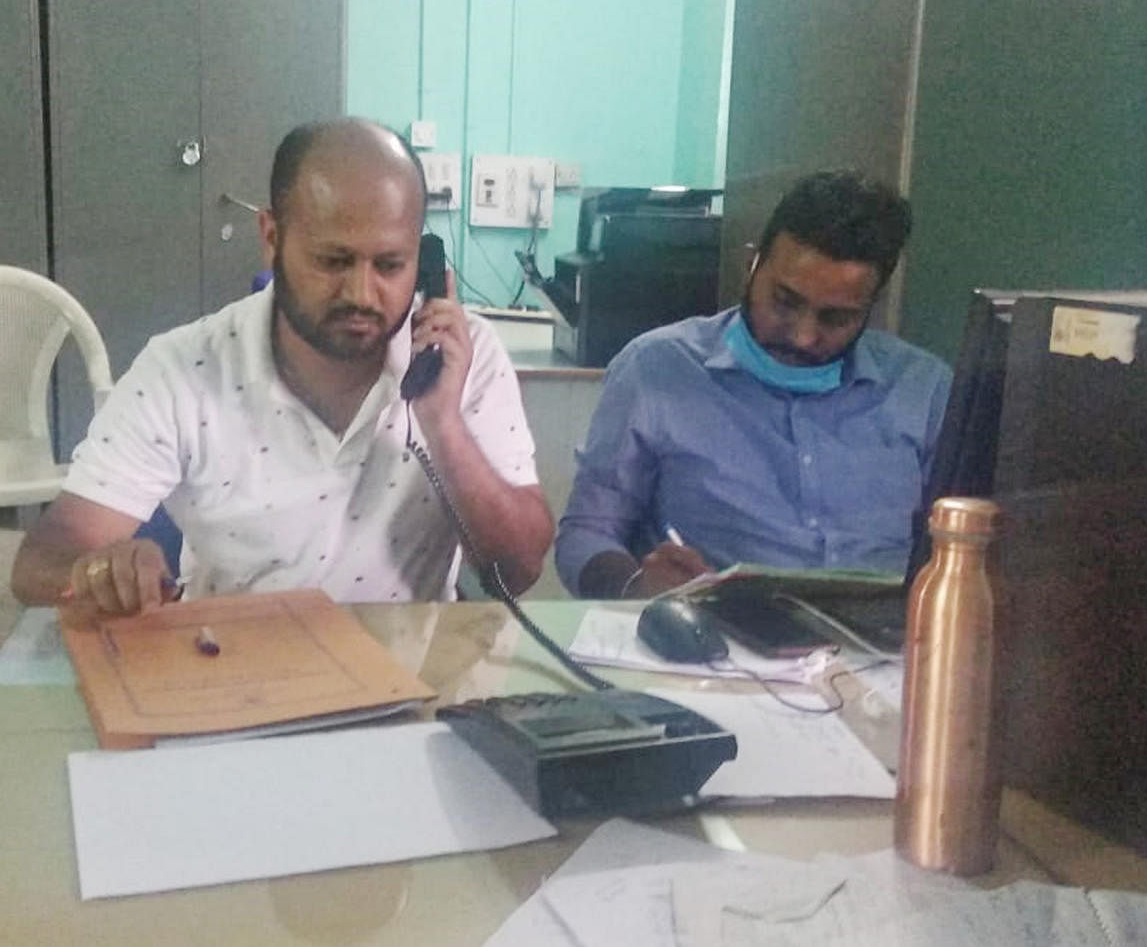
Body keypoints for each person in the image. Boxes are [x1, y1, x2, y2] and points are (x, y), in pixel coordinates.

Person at [12, 118, 553, 615]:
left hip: (410, 680)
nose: (362, 293)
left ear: (424, 261)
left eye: (390, 265)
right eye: (333, 261)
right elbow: (40, 563)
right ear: (272, 239)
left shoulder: (464, 355)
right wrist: (100, 573)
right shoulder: (183, 368)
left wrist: (444, 422)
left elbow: (521, 571)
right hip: (237, 671)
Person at [555, 170, 951, 599]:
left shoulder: (923, 390)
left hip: (885, 652)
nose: (802, 336)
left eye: (835, 318)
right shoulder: (657, 369)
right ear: (752, 266)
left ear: (871, 306)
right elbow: (586, 534)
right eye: (785, 301)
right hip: (714, 645)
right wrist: (634, 585)